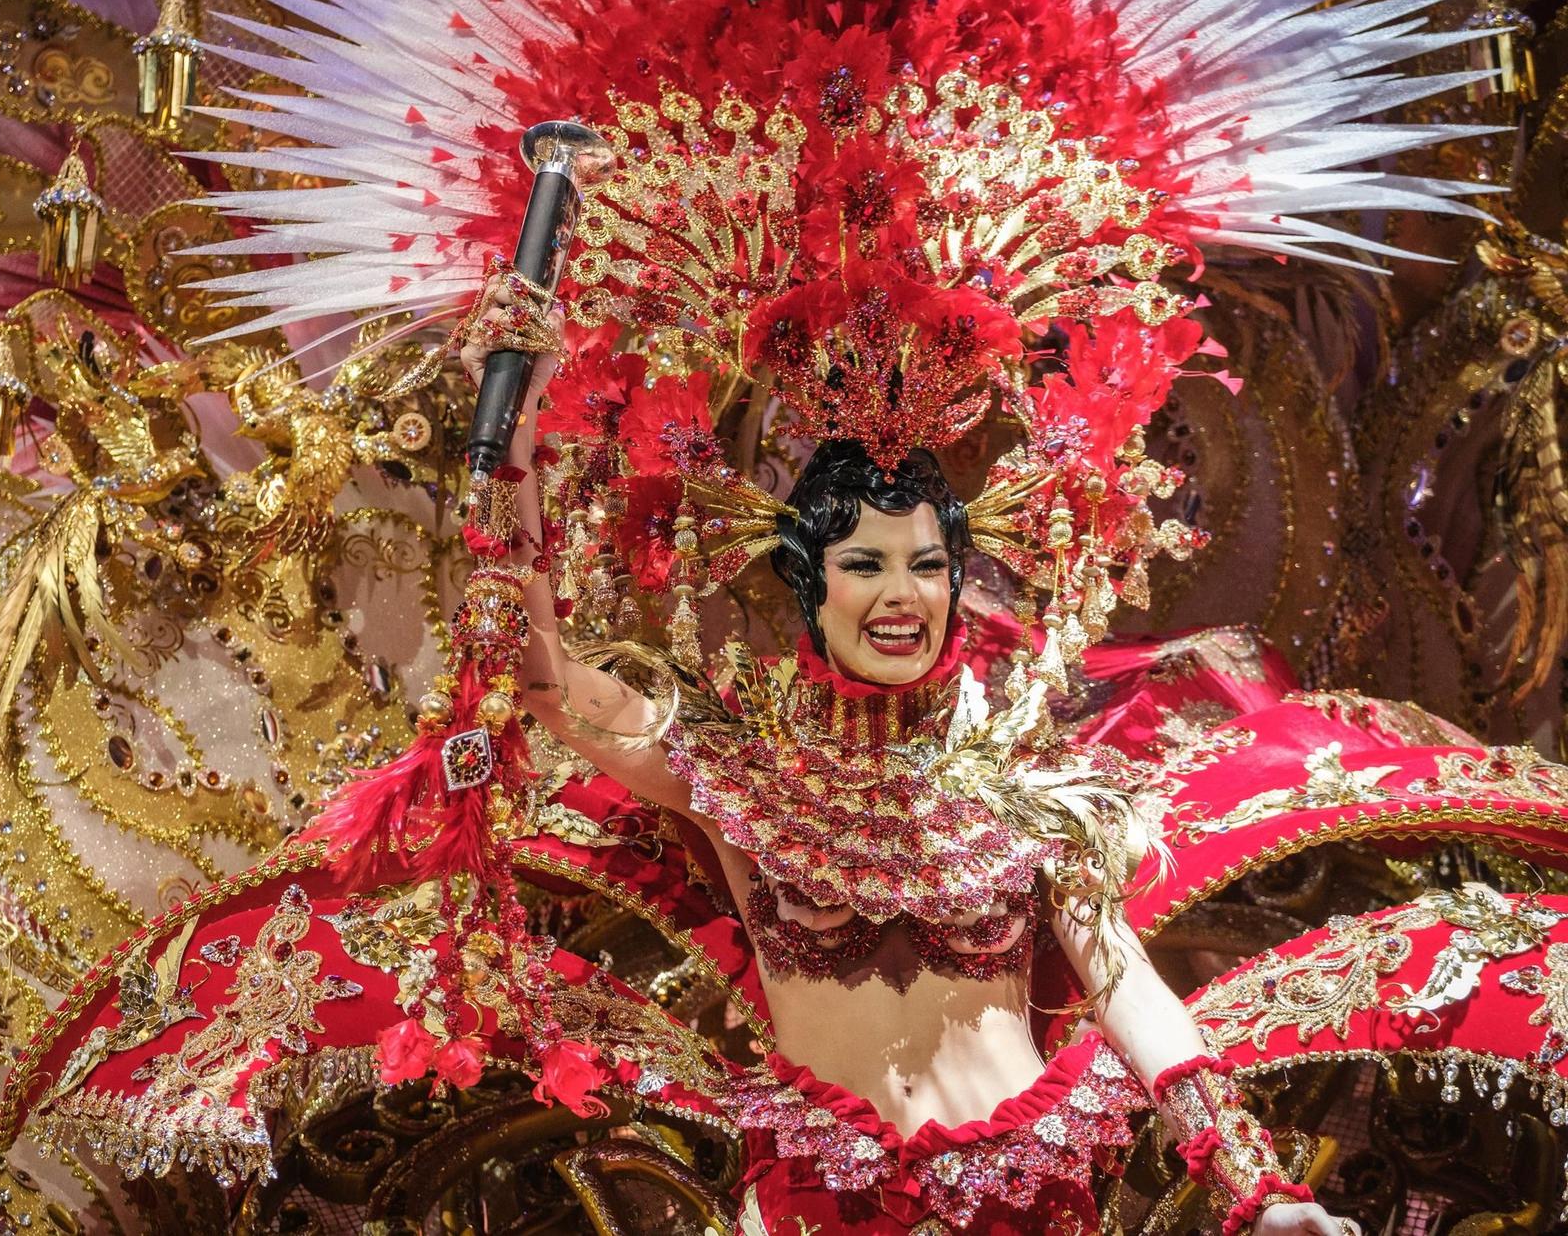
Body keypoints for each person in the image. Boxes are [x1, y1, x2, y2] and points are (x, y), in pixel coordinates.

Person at [457, 277, 1359, 1235]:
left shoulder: (1023, 788)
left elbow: (1126, 981)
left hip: (1025, 1205)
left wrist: (1258, 1193)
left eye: (927, 564)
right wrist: (508, 436)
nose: (903, 595)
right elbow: (539, 678)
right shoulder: (741, 774)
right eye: (865, 564)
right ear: (811, 586)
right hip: (821, 1208)